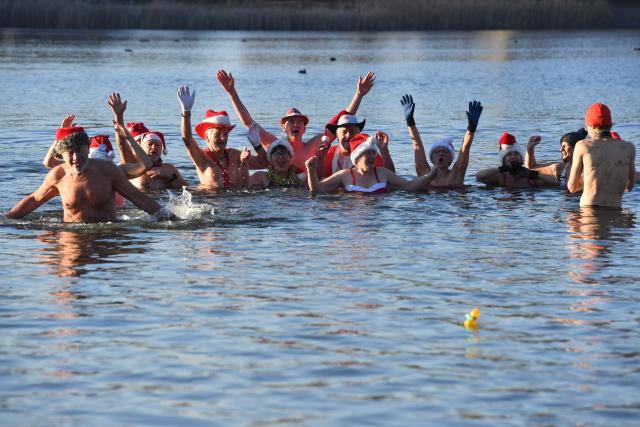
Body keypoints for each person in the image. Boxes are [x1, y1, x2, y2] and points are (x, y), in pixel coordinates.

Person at [216, 69, 376, 170]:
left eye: (299, 121)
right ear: (283, 127)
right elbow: (248, 123)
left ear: (305, 128)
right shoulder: (274, 144)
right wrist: (231, 92)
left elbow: (342, 123)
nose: (296, 124)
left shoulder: (315, 144)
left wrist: (359, 94)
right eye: (291, 122)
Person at [6, 125, 165, 223]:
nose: (76, 158)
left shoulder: (108, 171)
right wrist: (7, 218)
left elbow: (139, 198)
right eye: (70, 153)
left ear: (88, 149)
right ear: (62, 154)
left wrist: (171, 219)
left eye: (80, 151)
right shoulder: (58, 176)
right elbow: (34, 199)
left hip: (107, 236)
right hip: (72, 236)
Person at [177, 85, 265, 190]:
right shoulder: (201, 158)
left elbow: (263, 163)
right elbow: (187, 139)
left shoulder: (234, 154)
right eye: (218, 134)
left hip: (235, 202)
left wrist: (257, 145)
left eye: (226, 134)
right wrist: (186, 113)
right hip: (211, 202)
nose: (223, 138)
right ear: (206, 136)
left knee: (261, 176)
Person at [305, 133, 437, 193]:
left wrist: (431, 175)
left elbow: (410, 186)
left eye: (373, 153)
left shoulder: (383, 173)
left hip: (377, 221)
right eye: (367, 153)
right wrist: (310, 170)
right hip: (354, 216)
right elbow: (317, 189)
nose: (372, 156)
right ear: (357, 157)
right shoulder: (344, 175)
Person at [401, 95, 482, 187]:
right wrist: (410, 121)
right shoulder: (424, 173)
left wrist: (471, 129)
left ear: (450, 159)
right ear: (432, 158)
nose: (441, 154)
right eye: (437, 152)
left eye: (444, 152)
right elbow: (417, 145)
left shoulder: (457, 174)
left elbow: (465, 149)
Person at [567, 103, 635, 207]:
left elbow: (572, 188)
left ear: (591, 126)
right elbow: (629, 187)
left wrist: (591, 177)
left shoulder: (583, 146)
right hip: (615, 210)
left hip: (589, 210)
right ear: (610, 125)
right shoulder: (629, 147)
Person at [319, 113, 395, 179]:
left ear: (358, 134)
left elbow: (392, 179)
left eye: (352, 132)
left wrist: (384, 151)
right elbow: (319, 182)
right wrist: (320, 159)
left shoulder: (369, 153)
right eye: (344, 132)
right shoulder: (330, 153)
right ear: (336, 135)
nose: (348, 136)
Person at [476, 132, 559, 187]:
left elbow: (557, 183)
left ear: (521, 158)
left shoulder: (530, 177)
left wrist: (531, 173)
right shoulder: (500, 177)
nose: (513, 157)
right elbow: (479, 176)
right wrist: (503, 169)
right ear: (503, 160)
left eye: (516, 154)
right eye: (509, 155)